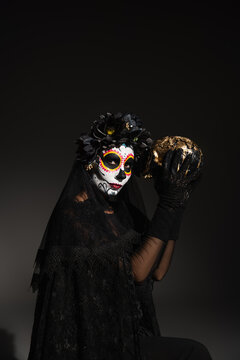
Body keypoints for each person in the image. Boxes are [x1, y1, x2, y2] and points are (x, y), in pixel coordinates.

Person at [27, 112, 212, 360]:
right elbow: (137, 272)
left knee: (192, 352)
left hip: (125, 334)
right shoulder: (73, 215)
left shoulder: (121, 211)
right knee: (194, 353)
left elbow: (158, 270)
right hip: (97, 344)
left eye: (128, 165)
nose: (122, 174)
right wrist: (167, 206)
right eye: (113, 161)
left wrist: (177, 204)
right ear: (91, 162)